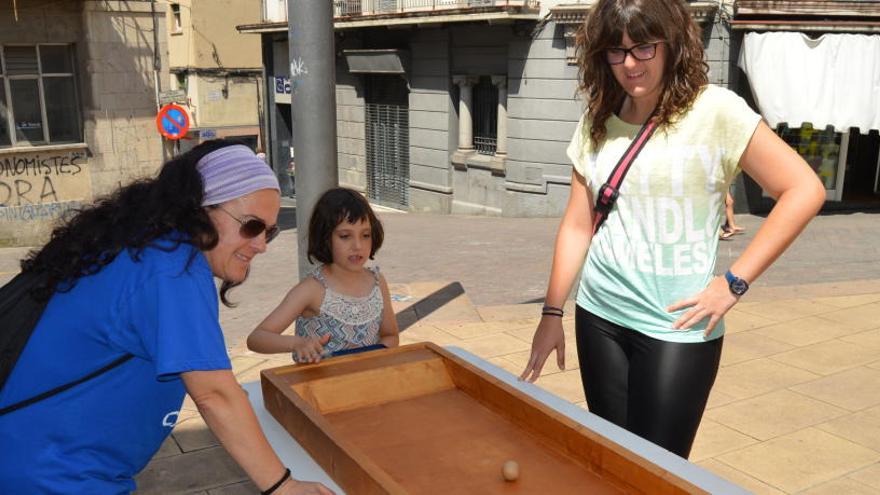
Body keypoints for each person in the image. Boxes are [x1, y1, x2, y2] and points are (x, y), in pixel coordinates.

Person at [519, 0, 825, 459]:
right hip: (599, 316)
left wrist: (733, 283)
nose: (629, 64)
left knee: (659, 470)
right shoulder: (597, 120)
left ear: (671, 43)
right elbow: (577, 225)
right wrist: (552, 313)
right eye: (615, 51)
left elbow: (803, 189)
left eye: (643, 48)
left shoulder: (716, 111)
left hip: (677, 328)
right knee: (612, 458)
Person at [0, 140, 334, 494]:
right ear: (201, 210)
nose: (261, 244)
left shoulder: (147, 248)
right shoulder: (172, 267)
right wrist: (282, 485)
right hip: (49, 475)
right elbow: (215, 395)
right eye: (251, 226)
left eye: (270, 230)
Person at [248, 187, 399, 363]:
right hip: (317, 387)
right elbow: (257, 338)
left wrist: (370, 357)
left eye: (365, 235)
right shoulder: (312, 289)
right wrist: (296, 343)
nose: (357, 245)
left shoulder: (377, 282)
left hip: (366, 383)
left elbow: (391, 335)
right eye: (345, 236)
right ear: (325, 238)